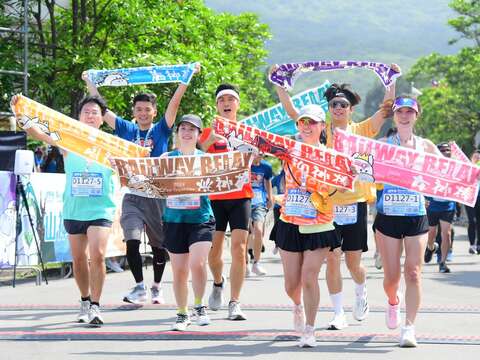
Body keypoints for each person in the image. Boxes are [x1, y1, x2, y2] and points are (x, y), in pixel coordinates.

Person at [272, 64, 397, 329]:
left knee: (353, 263)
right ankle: (338, 312)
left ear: (351, 109)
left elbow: (387, 109)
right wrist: (279, 84)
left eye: (343, 105)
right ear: (328, 109)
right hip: (326, 205)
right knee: (332, 257)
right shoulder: (321, 130)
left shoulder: (361, 130)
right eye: (334, 105)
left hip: (354, 204)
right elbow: (294, 114)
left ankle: (361, 289)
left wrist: (391, 79)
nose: (338, 109)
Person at [82, 65, 199, 304]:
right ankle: (139, 287)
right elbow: (101, 109)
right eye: (139, 109)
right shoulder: (126, 128)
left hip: (157, 195)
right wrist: (90, 82)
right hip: (133, 194)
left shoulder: (160, 130)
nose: (143, 113)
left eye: (147, 109)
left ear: (154, 112)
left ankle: (156, 286)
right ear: (134, 112)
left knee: (158, 246)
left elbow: (174, 106)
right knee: (132, 240)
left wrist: (185, 80)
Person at [12, 95, 116, 326]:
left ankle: (96, 307)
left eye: (95, 112)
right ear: (79, 117)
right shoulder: (68, 140)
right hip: (74, 209)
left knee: (98, 255)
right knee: (79, 260)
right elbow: (38, 134)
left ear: (102, 119)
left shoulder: (111, 144)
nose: (90, 115)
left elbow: (133, 163)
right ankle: (85, 301)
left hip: (101, 209)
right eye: (86, 111)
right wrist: (21, 113)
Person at [271, 103, 346, 347]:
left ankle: (310, 330)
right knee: (292, 284)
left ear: (322, 126)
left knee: (309, 276)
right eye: (303, 122)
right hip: (290, 221)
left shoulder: (331, 156)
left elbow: (344, 185)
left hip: (319, 224)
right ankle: (297, 305)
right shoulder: (288, 150)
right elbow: (260, 147)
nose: (307, 126)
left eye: (312, 122)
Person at [374, 96, 442, 347]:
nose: (404, 115)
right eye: (400, 111)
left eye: (409, 111)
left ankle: (409, 327)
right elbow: (363, 167)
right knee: (392, 279)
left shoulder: (426, 146)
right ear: (394, 116)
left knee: (413, 273)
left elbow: (447, 171)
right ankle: (393, 301)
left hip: (415, 215)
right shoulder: (383, 144)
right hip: (389, 216)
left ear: (416, 115)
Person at [198, 84, 253, 320]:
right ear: (217, 105)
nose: (227, 103)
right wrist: (212, 136)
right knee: (214, 251)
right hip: (216, 198)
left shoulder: (248, 130)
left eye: (231, 99)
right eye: (222, 100)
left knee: (239, 249)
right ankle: (218, 283)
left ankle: (235, 301)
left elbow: (259, 153)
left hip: (241, 195)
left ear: (238, 105)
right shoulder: (209, 131)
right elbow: (200, 150)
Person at [162, 114, 216, 331]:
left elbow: (221, 182)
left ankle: (199, 304)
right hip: (174, 220)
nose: (186, 132)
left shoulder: (206, 159)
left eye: (192, 129)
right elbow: (154, 183)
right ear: (177, 133)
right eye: (183, 128)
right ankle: (182, 313)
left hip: (201, 219)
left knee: (198, 263)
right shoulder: (167, 158)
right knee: (180, 271)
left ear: (198, 134)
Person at [424, 142, 455, 273]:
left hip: (448, 205)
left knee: (446, 234)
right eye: (442, 150)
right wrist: (425, 198)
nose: (446, 152)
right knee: (431, 234)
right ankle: (431, 248)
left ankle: (442, 262)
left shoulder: (455, 167)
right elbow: (424, 181)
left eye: (448, 150)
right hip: (433, 205)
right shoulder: (431, 166)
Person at [247, 154, 273, 276]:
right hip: (244, 201)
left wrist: (270, 197)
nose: (259, 154)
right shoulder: (244, 164)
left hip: (259, 202)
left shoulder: (266, 167)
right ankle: (245, 263)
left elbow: (267, 181)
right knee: (247, 234)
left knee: (258, 230)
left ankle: (256, 263)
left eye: (261, 152)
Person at [466, 150, 480, 254]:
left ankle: (478, 244)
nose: (477, 159)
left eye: (478, 158)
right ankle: (472, 245)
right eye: (475, 157)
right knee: (472, 221)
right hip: (469, 198)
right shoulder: (467, 168)